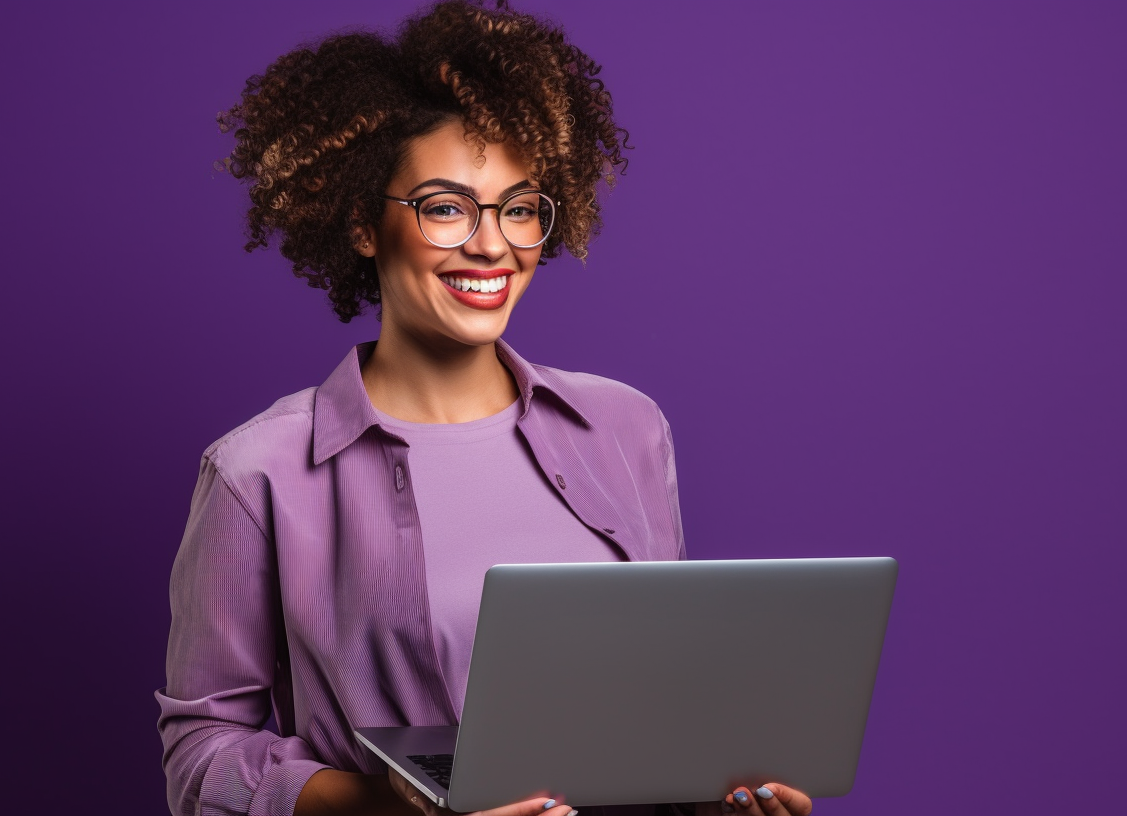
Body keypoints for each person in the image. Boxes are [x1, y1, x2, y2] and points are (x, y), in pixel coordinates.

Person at [156, 3, 813, 816]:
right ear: (364, 222)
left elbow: (658, 707)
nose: (492, 244)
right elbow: (202, 756)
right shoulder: (261, 471)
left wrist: (719, 796)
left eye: (519, 208)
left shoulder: (626, 429)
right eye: (445, 207)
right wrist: (393, 810)